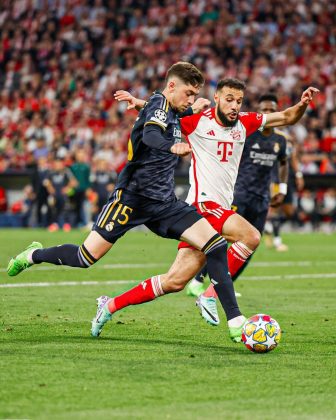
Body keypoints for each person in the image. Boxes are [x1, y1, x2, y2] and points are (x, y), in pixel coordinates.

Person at [7, 62, 245, 342]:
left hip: (163, 203)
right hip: (130, 200)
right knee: (85, 257)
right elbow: (152, 134)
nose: (191, 100)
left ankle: (236, 321)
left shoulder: (165, 107)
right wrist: (172, 145)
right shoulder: (159, 105)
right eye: (188, 93)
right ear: (171, 86)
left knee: (215, 244)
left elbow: (169, 114)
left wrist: (141, 104)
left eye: (195, 94)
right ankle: (33, 255)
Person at [93, 81, 318, 333]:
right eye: (229, 99)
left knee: (174, 281)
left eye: (239, 101)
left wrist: (303, 104)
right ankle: (211, 295)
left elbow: (287, 117)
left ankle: (109, 305)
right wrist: (140, 104)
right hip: (203, 205)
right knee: (251, 236)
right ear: (217, 98)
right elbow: (166, 114)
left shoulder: (246, 122)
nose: (235, 106)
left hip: (213, 211)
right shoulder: (197, 121)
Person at [187, 94, 292, 324]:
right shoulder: (245, 131)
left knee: (248, 247)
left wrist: (281, 188)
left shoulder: (281, 140)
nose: (266, 111)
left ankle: (224, 287)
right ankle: (199, 280)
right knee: (222, 240)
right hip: (239, 194)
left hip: (262, 198)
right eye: (263, 108)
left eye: (270, 108)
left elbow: (284, 162)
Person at [263, 135, 304, 251]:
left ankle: (269, 226)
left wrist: (298, 175)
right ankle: (277, 241)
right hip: (275, 180)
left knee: (289, 212)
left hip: (288, 180)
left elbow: (294, 158)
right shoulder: (272, 139)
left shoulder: (287, 141)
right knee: (275, 209)